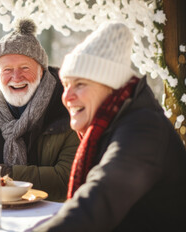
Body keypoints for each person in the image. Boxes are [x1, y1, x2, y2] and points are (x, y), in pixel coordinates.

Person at [32, 22, 186, 231]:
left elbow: (99, 199)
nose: (66, 97)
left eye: (80, 84)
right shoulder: (111, 123)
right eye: (66, 85)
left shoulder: (143, 129)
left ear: (111, 86)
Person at [0, 18, 79, 202]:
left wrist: (3, 174)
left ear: (41, 71)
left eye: (25, 67)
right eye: (7, 69)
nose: (16, 77)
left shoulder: (66, 107)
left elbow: (66, 178)